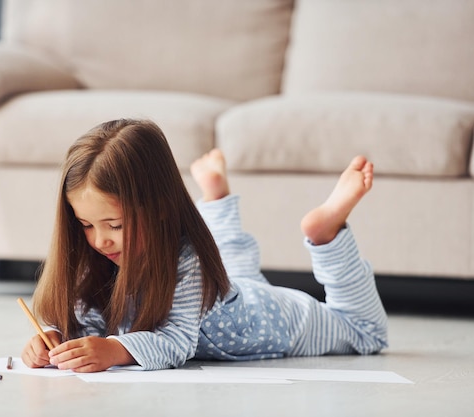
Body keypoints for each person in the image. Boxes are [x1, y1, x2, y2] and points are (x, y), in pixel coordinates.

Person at [21, 118, 388, 372]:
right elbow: (91, 325)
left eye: (115, 225)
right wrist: (55, 340)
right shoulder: (97, 250)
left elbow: (177, 341)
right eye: (85, 224)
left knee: (365, 331)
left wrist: (115, 351)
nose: (99, 239)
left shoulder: (187, 258)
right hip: (228, 295)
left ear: (159, 207)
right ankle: (216, 198)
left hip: (269, 317)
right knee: (234, 268)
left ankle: (327, 236)